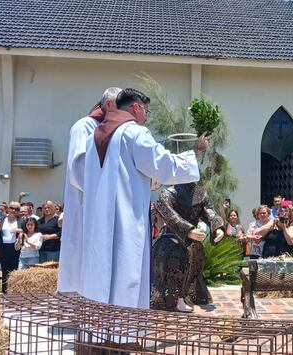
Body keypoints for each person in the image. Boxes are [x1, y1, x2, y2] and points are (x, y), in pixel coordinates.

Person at [69, 88, 208, 308]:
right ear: (135, 107)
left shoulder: (94, 137)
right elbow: (162, 165)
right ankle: (123, 336)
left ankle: (96, 331)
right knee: (127, 272)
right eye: (146, 110)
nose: (147, 117)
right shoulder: (134, 133)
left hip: (99, 222)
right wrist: (194, 153)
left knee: (99, 273)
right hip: (126, 221)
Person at [58, 87, 120, 292]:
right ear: (109, 105)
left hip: (100, 209)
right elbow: (79, 168)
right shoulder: (85, 126)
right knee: (79, 263)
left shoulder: (110, 131)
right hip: (84, 207)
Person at [151, 182, 224, 312]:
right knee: (179, 254)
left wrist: (217, 228)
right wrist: (188, 230)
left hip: (191, 240)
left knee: (197, 251)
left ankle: (188, 294)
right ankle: (177, 299)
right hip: (170, 237)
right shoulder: (168, 193)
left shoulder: (201, 193)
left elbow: (210, 213)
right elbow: (171, 215)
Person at [0, 201, 22, 293]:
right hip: (3, 247)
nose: (13, 210)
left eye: (16, 209)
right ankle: (4, 291)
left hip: (15, 248)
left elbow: (28, 230)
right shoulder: (2, 219)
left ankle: (13, 290)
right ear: (8, 209)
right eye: (12, 208)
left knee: (14, 270)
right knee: (4, 270)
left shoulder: (21, 220)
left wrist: (18, 230)